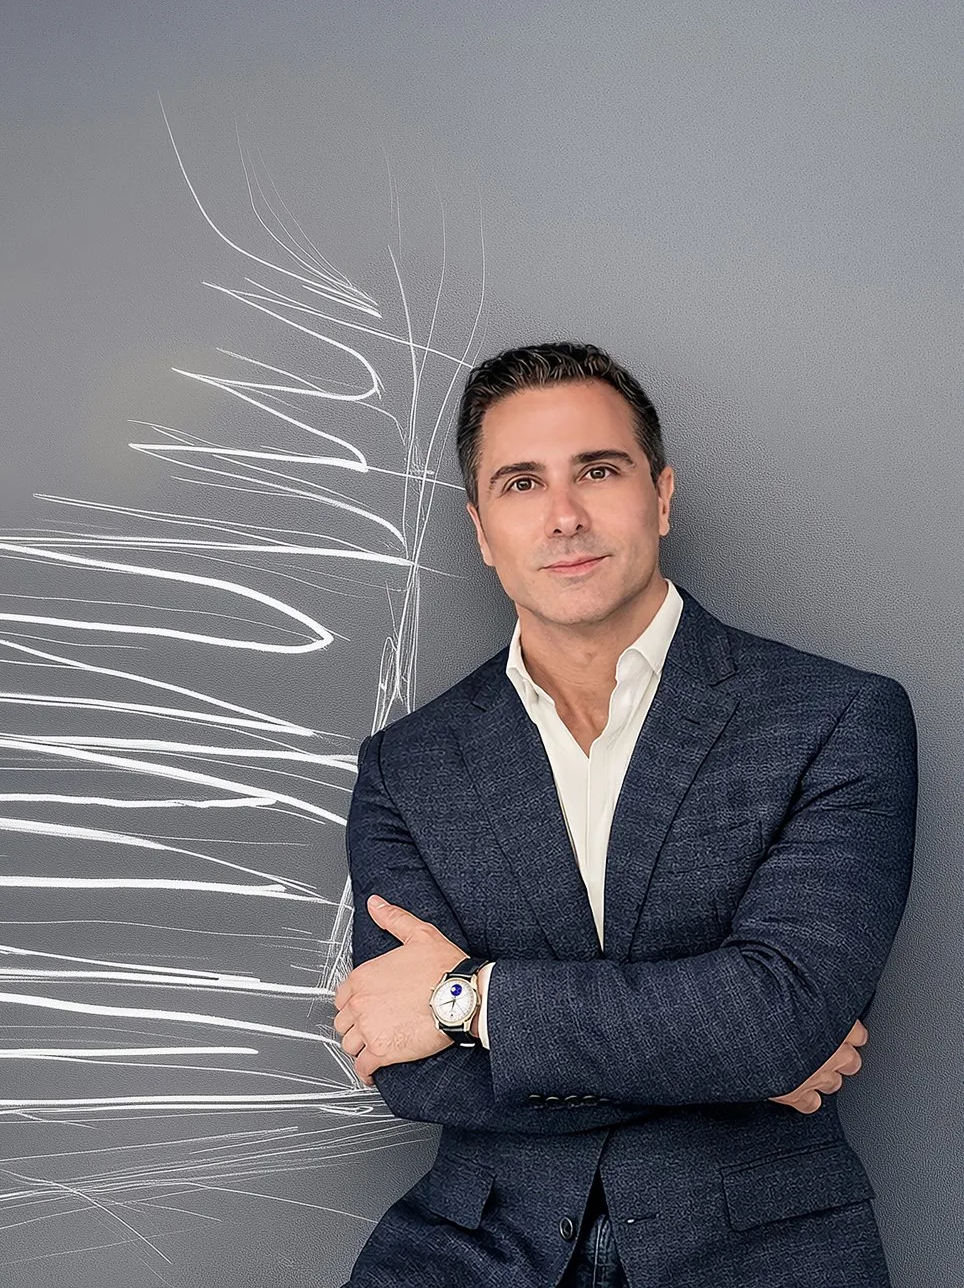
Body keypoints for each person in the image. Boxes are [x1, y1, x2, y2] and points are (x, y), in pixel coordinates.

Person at [330, 342, 916, 1287]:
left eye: (598, 471)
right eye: (522, 483)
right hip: (471, 1254)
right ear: (481, 530)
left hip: (759, 1252)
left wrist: (466, 1003)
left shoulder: (837, 717)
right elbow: (409, 1066)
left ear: (662, 495)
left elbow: (779, 1019)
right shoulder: (407, 764)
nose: (564, 515)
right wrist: (734, 1063)